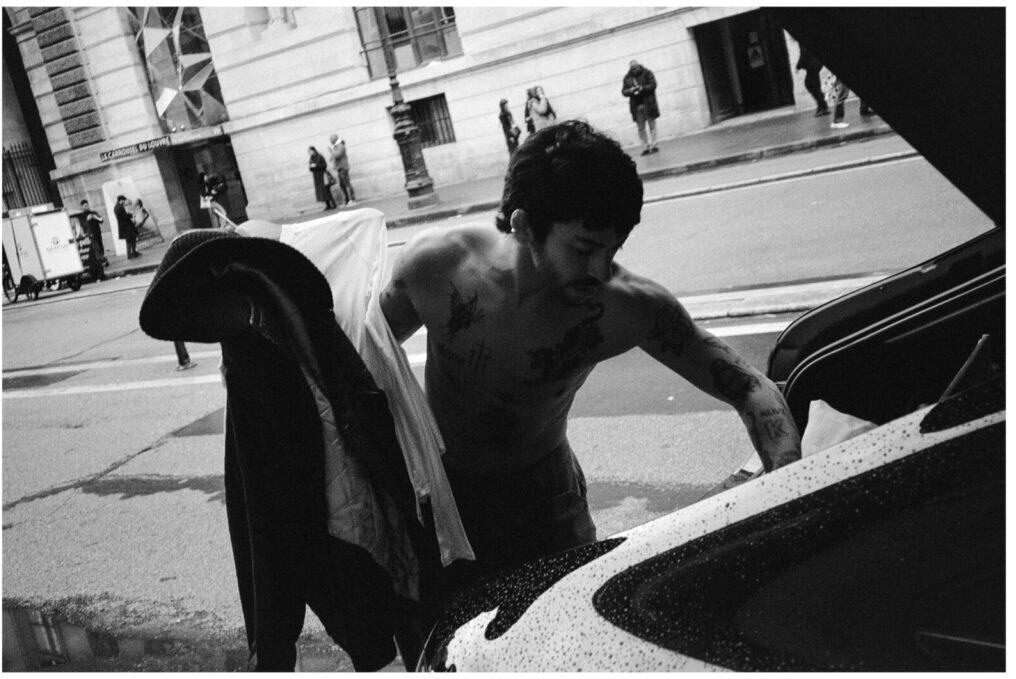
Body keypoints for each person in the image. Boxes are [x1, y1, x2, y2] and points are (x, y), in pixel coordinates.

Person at [379, 121, 802, 591]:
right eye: (584, 249)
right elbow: (362, 359)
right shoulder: (436, 268)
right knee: (456, 629)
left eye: (613, 249)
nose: (600, 269)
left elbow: (750, 386)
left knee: (568, 618)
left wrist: (787, 486)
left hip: (546, 502)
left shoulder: (627, 306)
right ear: (523, 225)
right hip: (443, 496)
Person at [621, 60, 661, 155]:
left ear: (639, 66)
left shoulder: (647, 73)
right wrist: (630, 90)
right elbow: (623, 91)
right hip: (636, 107)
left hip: (648, 104)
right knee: (641, 128)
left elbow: (653, 85)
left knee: (652, 126)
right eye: (633, 68)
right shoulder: (627, 77)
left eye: (636, 68)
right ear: (630, 68)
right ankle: (646, 147)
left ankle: (654, 145)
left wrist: (643, 88)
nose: (635, 70)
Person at [77, 199, 107, 280]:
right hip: (90, 236)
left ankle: (102, 259)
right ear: (82, 207)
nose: (86, 207)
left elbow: (101, 220)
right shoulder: (81, 215)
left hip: (97, 233)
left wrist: (94, 217)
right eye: (85, 206)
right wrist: (87, 219)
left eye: (87, 205)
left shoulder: (93, 212)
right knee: (95, 250)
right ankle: (99, 263)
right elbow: (82, 225)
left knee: (100, 246)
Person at [795, 46, 829, 116]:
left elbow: (804, 54)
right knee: (816, 86)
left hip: (812, 65)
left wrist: (798, 67)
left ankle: (823, 105)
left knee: (809, 84)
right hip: (816, 64)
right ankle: (822, 106)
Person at [329, 134, 356, 206]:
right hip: (339, 167)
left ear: (334, 139)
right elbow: (334, 157)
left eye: (331, 139)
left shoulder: (340, 146)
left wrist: (331, 152)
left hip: (343, 167)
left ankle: (352, 199)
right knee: (342, 185)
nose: (330, 141)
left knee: (346, 183)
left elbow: (337, 155)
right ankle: (347, 200)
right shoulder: (336, 146)